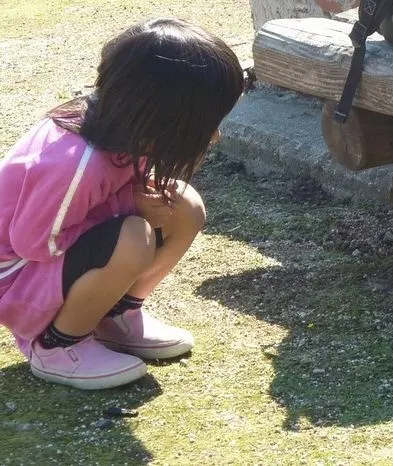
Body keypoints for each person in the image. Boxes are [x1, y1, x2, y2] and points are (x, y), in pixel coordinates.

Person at [0, 17, 244, 390]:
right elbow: (34, 242)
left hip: (42, 264)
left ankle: (113, 317)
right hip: (15, 277)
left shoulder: (129, 131)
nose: (213, 134)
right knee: (133, 236)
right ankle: (57, 347)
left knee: (184, 207)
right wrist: (125, 205)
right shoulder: (75, 164)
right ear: (161, 113)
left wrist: (129, 201)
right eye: (204, 121)